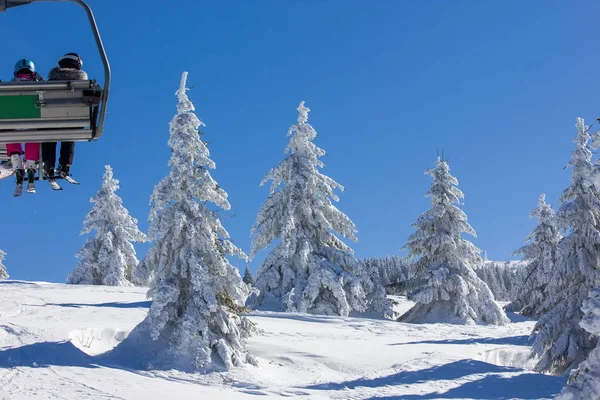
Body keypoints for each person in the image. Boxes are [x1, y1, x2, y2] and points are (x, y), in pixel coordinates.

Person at [42, 53, 88, 179]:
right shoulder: (82, 84)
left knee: (48, 134)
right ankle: (65, 164)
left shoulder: (51, 82)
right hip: (73, 121)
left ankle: (48, 163)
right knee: (69, 137)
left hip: (52, 120)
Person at [7, 59, 43, 187]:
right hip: (32, 123)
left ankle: (17, 164)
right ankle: (31, 165)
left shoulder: (8, 87)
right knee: (34, 135)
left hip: (13, 124)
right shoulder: (39, 87)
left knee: (9, 134)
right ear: (33, 73)